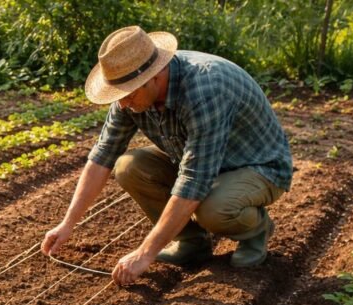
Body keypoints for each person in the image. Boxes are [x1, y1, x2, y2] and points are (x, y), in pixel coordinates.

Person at [41, 26, 293, 286]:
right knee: (129, 166)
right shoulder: (129, 94)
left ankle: (256, 232)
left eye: (128, 94)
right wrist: (67, 224)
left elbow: (194, 181)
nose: (123, 103)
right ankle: (191, 242)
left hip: (257, 167)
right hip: (200, 161)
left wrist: (144, 254)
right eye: (119, 95)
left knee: (213, 208)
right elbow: (103, 155)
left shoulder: (205, 88)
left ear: (155, 75)